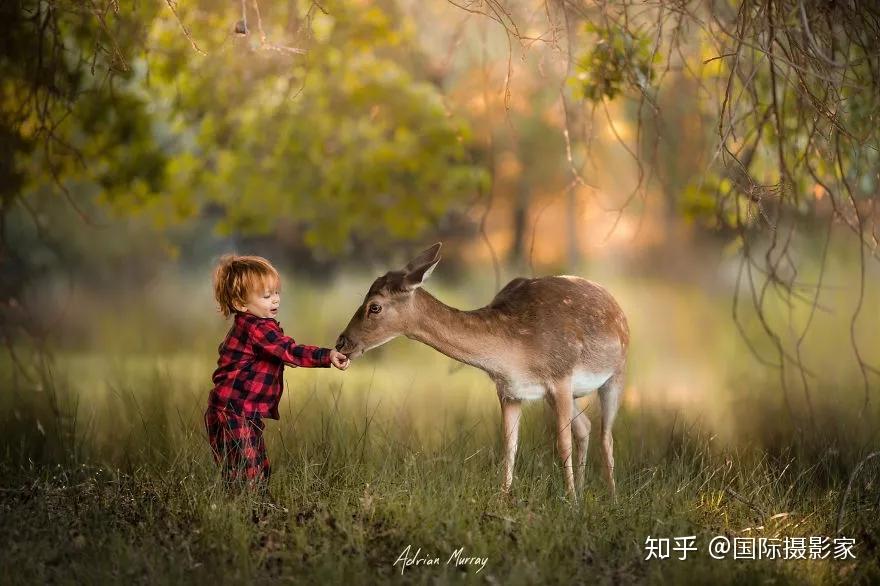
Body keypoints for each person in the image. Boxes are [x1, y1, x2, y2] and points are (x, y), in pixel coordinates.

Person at [205, 254, 349, 497]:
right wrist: (328, 355)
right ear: (240, 304)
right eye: (266, 295)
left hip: (243, 411)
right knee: (248, 471)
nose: (275, 299)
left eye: (276, 293)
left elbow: (280, 351)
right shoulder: (255, 328)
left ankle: (251, 510)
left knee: (255, 467)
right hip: (233, 411)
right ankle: (252, 514)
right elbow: (290, 350)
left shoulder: (258, 326)